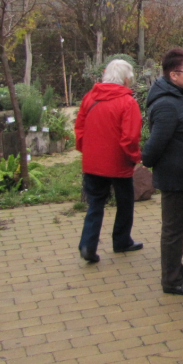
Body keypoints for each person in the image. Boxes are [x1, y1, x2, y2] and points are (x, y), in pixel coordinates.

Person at [142, 49, 183, 297]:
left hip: (182, 174)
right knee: (172, 230)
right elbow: (152, 148)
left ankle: (178, 268)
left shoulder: (177, 96)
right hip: (174, 177)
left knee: (176, 228)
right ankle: (171, 280)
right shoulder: (167, 103)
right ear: (174, 75)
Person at [75, 59, 143, 263]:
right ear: (125, 79)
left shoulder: (89, 98)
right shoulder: (128, 102)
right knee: (125, 203)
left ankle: (88, 244)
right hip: (118, 162)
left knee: (95, 204)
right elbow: (130, 137)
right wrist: (135, 158)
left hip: (92, 162)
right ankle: (121, 240)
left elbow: (79, 129)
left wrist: (86, 151)